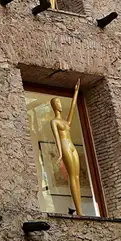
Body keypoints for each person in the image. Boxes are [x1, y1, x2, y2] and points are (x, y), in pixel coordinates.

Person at [50, 80, 83, 215]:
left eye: (59, 102)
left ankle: (80, 209)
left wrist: (76, 92)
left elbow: (73, 108)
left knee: (77, 177)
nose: (59, 105)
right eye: (57, 103)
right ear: (53, 106)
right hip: (64, 146)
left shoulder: (65, 121)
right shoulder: (54, 122)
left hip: (72, 146)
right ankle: (79, 212)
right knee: (72, 176)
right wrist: (60, 154)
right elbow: (57, 138)